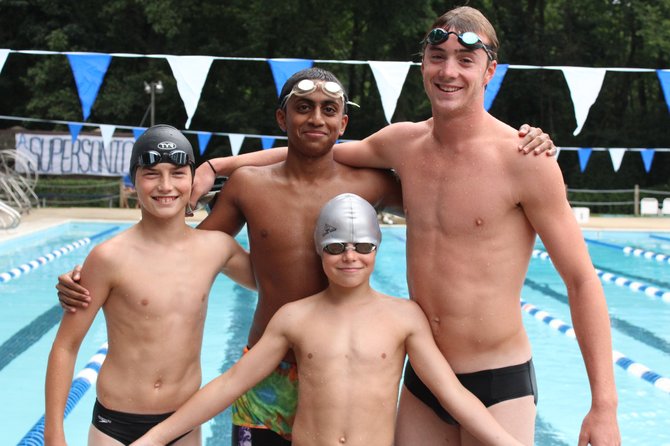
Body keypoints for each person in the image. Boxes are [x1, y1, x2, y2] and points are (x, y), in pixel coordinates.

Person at [174, 7, 620, 446]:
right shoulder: (402, 145)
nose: (449, 71)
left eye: (466, 60)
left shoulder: (525, 159)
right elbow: (314, 149)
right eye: (438, 57)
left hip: (496, 377)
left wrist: (604, 405)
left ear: (489, 71)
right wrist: (219, 165)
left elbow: (581, 280)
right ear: (422, 64)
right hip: (423, 378)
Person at [56, 68, 552, 445]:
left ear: (344, 123)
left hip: (344, 367)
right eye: (303, 107)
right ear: (281, 118)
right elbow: (185, 251)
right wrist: (94, 272)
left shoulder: (370, 182)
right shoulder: (249, 187)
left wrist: (517, 148)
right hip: (265, 371)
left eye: (327, 110)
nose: (315, 118)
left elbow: (451, 195)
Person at [129, 193, 524, 446]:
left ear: (376, 248)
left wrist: (506, 443)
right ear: (320, 249)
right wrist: (157, 437)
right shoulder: (294, 318)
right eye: (336, 246)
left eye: (362, 245)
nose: (350, 256)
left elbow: (452, 394)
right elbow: (232, 383)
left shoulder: (404, 318)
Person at [44, 125, 256, 446]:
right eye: (152, 173)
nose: (166, 185)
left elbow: (278, 283)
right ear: (133, 181)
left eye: (177, 173)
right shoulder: (108, 257)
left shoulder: (216, 249)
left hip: (183, 422)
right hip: (115, 424)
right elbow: (65, 346)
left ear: (193, 179)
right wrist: (54, 433)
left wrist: (222, 165)